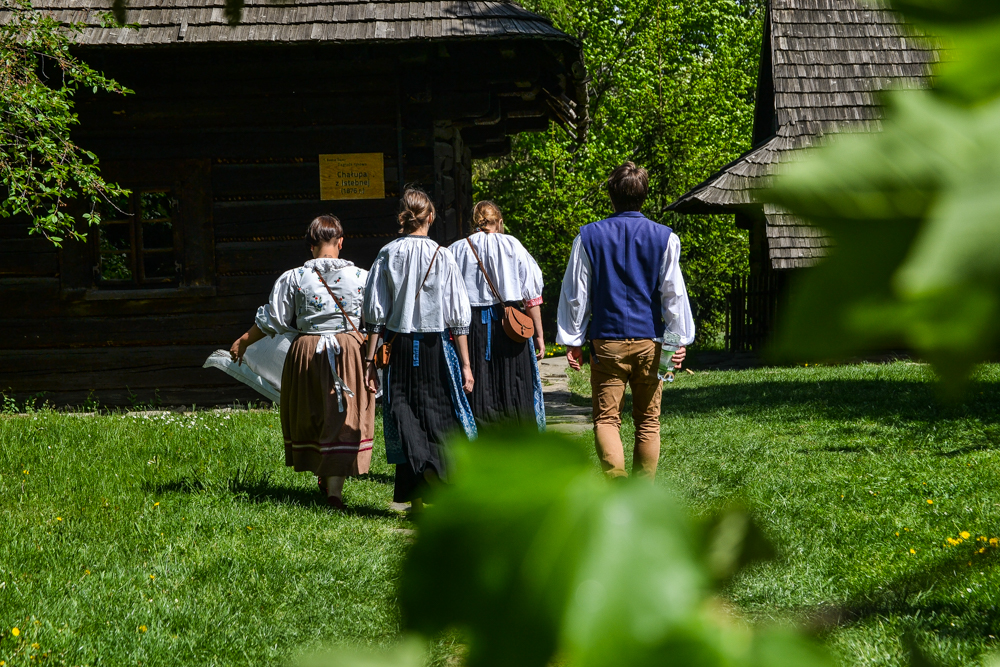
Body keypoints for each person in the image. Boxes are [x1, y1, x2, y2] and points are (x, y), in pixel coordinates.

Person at [556, 162, 694, 479]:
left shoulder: (588, 237)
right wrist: (678, 342)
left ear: (611, 195)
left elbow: (577, 294)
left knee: (606, 419)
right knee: (649, 420)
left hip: (606, 342)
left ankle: (616, 482)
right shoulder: (666, 238)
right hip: (654, 343)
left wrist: (574, 341)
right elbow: (674, 296)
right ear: (644, 195)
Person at [230, 215, 374, 509]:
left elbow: (274, 319)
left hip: (308, 351)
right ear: (341, 242)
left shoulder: (295, 278)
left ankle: (329, 484)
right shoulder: (362, 277)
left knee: (314, 412)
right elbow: (376, 318)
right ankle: (334, 489)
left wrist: (244, 340)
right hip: (348, 351)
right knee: (342, 416)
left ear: (311, 246)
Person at [363, 188, 475, 507]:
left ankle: (416, 498)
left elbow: (375, 313)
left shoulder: (387, 253)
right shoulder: (443, 255)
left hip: (398, 346)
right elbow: (458, 316)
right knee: (438, 413)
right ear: (430, 217)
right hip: (434, 345)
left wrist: (370, 361)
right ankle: (435, 472)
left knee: (402, 413)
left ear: (405, 217)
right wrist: (465, 365)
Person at [448, 201, 546, 430]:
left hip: (471, 327)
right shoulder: (512, 245)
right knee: (514, 384)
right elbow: (530, 294)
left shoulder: (457, 249)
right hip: (511, 324)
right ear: (499, 222)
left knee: (478, 386)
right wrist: (539, 334)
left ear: (474, 224)